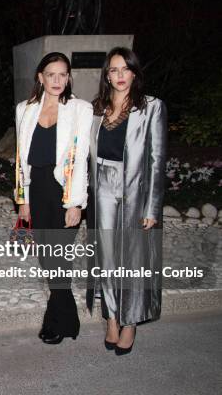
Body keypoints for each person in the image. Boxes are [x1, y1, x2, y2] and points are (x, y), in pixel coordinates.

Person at [87, 47, 167, 355]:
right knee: (107, 257)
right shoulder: (98, 109)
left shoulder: (152, 107)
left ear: (134, 72)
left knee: (132, 260)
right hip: (102, 189)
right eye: (113, 70)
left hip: (134, 191)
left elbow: (157, 161)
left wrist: (152, 207)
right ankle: (111, 317)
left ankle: (130, 322)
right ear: (107, 75)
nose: (120, 76)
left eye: (125, 69)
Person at [15, 52, 93, 344]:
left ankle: (61, 322)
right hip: (36, 189)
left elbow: (81, 158)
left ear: (69, 77)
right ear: (40, 77)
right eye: (52, 74)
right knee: (47, 258)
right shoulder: (25, 109)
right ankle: (62, 319)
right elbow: (21, 160)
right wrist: (22, 199)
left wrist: (75, 203)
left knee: (57, 258)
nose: (58, 80)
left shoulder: (80, 109)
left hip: (64, 191)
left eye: (63, 74)